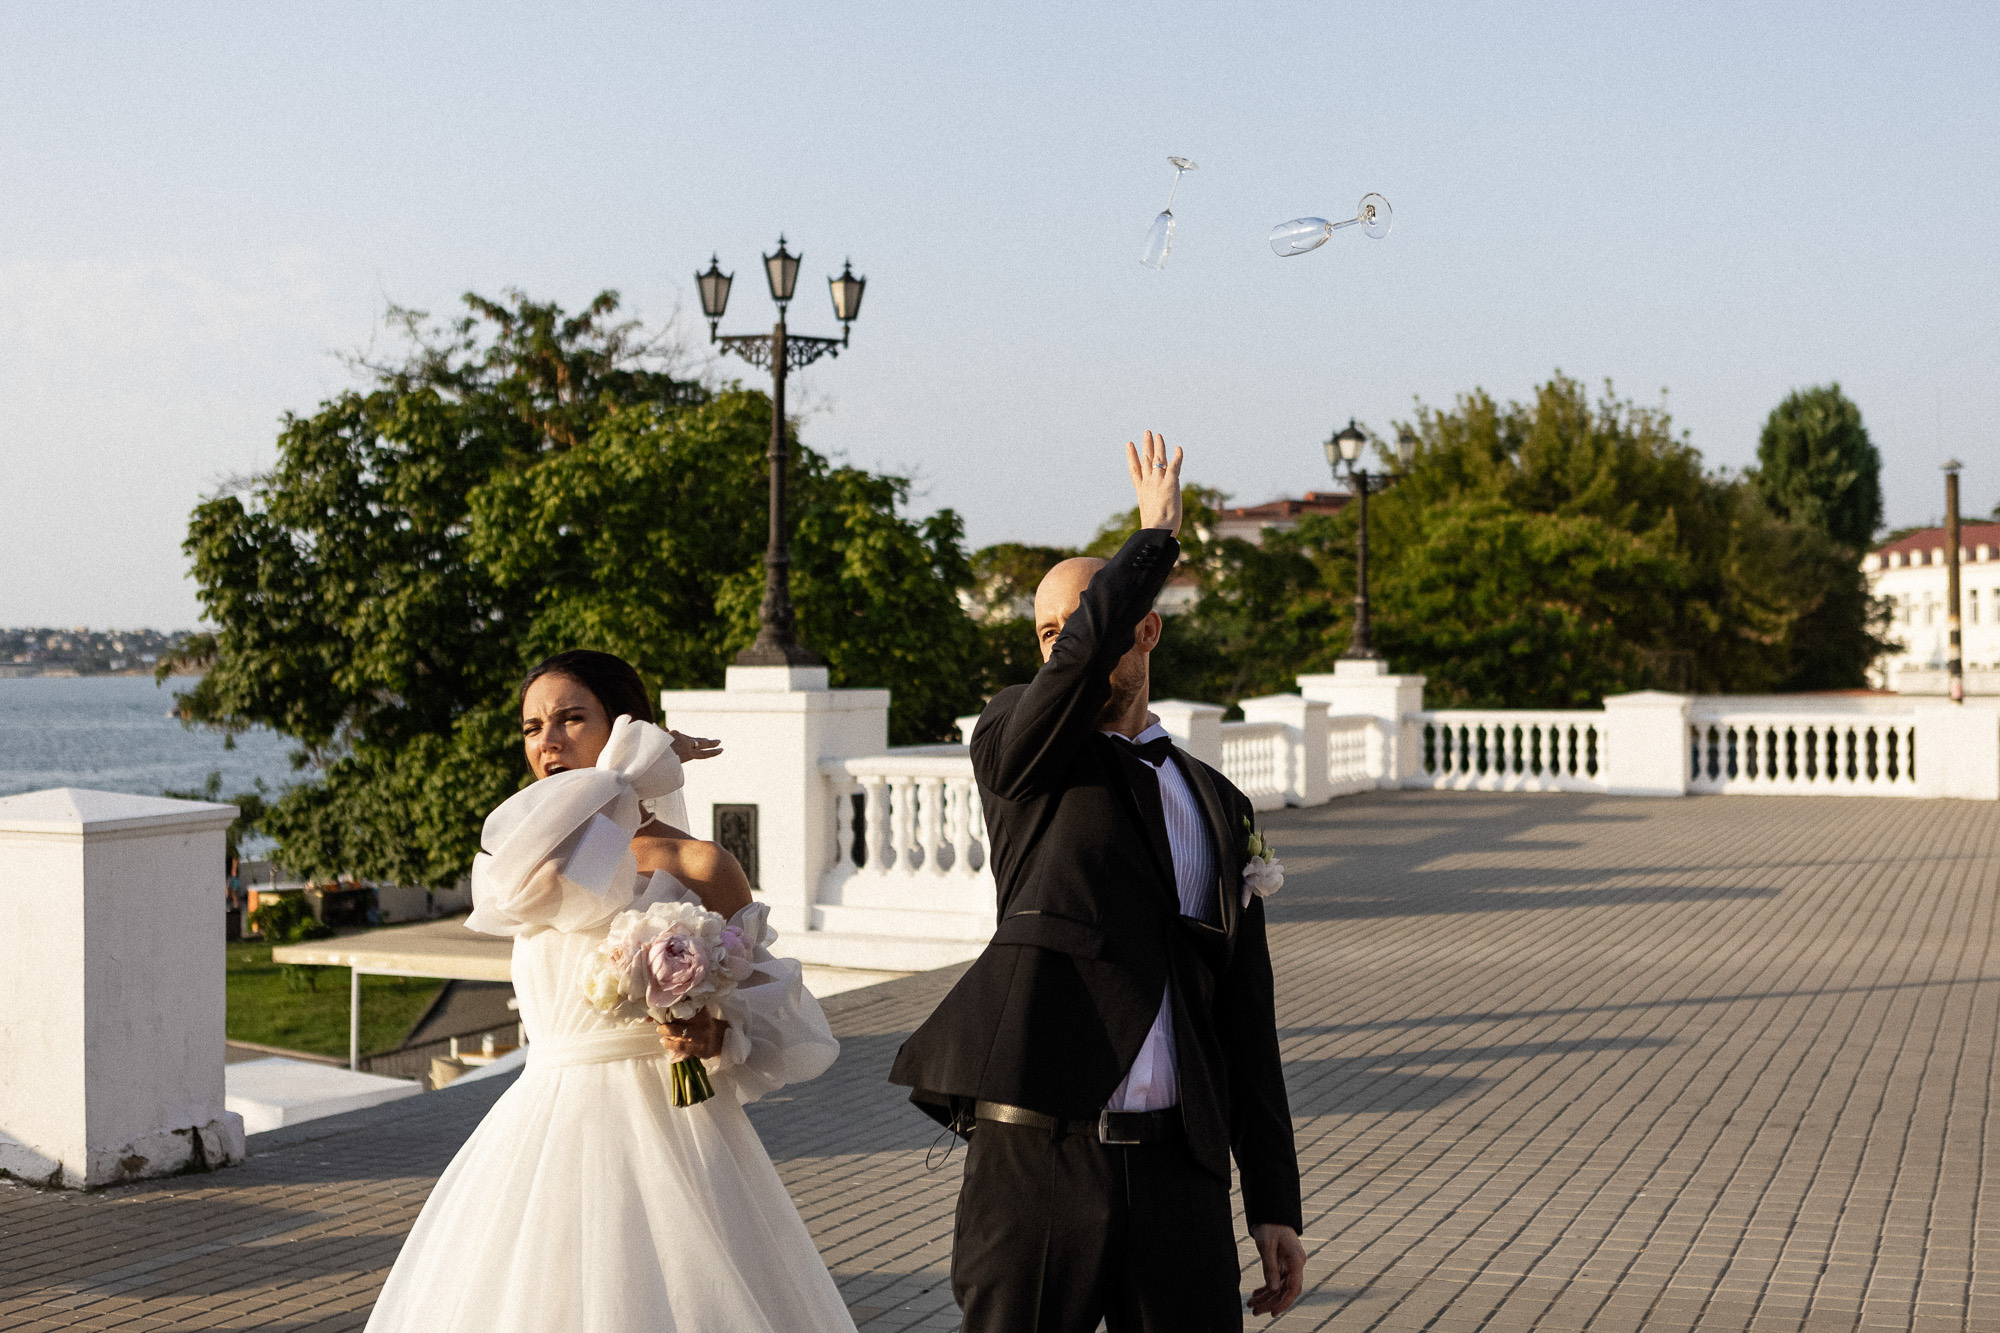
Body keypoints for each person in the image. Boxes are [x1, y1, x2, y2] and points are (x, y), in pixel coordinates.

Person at [890, 433, 1306, 1332]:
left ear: (1145, 629)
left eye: (1084, 626)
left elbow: (1246, 1010)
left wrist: (1273, 1198)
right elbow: (1072, 673)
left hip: (1180, 1180)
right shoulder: (1020, 749)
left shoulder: (1217, 800)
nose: (1063, 648)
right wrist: (1152, 540)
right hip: (1038, 1163)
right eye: (1050, 634)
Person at [364, 649, 855, 1333]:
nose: (549, 741)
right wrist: (626, 774)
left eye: (571, 718)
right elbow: (512, 892)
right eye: (533, 727)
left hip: (674, 1128)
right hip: (544, 1131)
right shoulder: (534, 861)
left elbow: (772, 1009)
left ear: (623, 724)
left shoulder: (702, 863)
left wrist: (715, 1034)